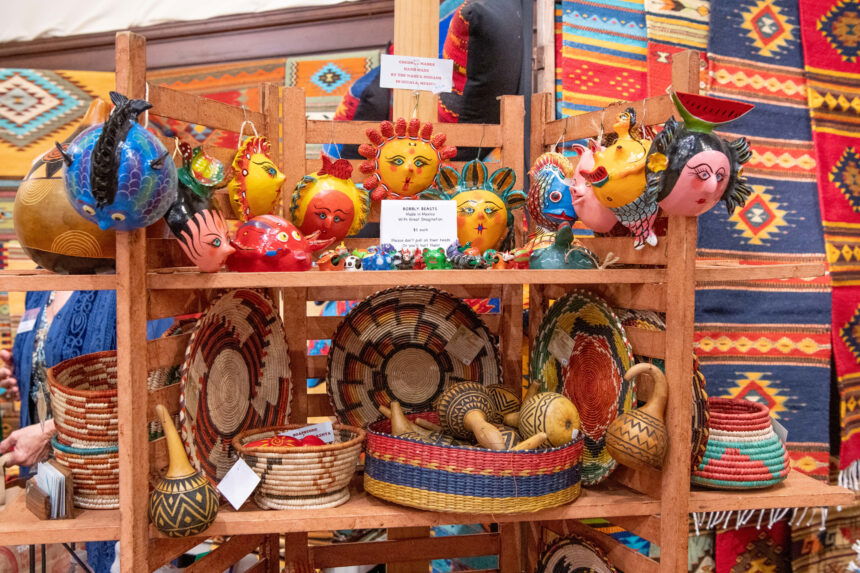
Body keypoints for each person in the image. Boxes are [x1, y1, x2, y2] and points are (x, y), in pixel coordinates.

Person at [0, 289, 171, 573]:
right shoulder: (40, 288)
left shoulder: (124, 284)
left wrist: (48, 432)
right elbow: (45, 363)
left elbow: (152, 383)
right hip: (48, 480)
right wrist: (24, 368)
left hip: (105, 481)